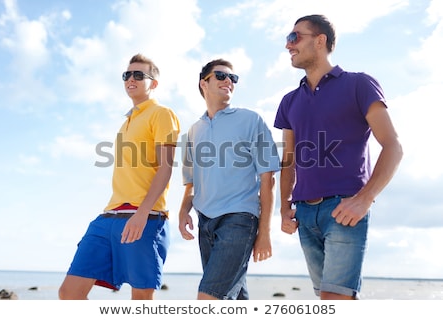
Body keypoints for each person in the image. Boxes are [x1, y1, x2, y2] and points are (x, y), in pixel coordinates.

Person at [274, 14, 403, 300]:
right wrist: (283, 207)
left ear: (320, 41)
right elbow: (288, 160)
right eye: (287, 38)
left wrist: (365, 199)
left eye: (295, 37)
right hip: (305, 215)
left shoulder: (359, 84)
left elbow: (393, 146)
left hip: (345, 208)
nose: (288, 45)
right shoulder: (289, 101)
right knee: (331, 300)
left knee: (335, 300)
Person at [58, 54, 180, 300]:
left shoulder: (161, 113)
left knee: (141, 300)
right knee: (69, 293)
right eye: (127, 75)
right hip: (109, 216)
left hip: (144, 216)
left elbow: (166, 168)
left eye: (139, 75)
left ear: (154, 83)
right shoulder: (127, 121)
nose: (131, 79)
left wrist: (142, 213)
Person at [178, 59, 280, 300]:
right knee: (234, 300)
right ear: (204, 82)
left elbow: (268, 180)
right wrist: (184, 211)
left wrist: (264, 233)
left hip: (240, 219)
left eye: (233, 79)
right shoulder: (193, 131)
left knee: (209, 298)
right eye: (222, 76)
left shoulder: (251, 119)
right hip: (205, 222)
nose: (229, 82)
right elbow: (191, 183)